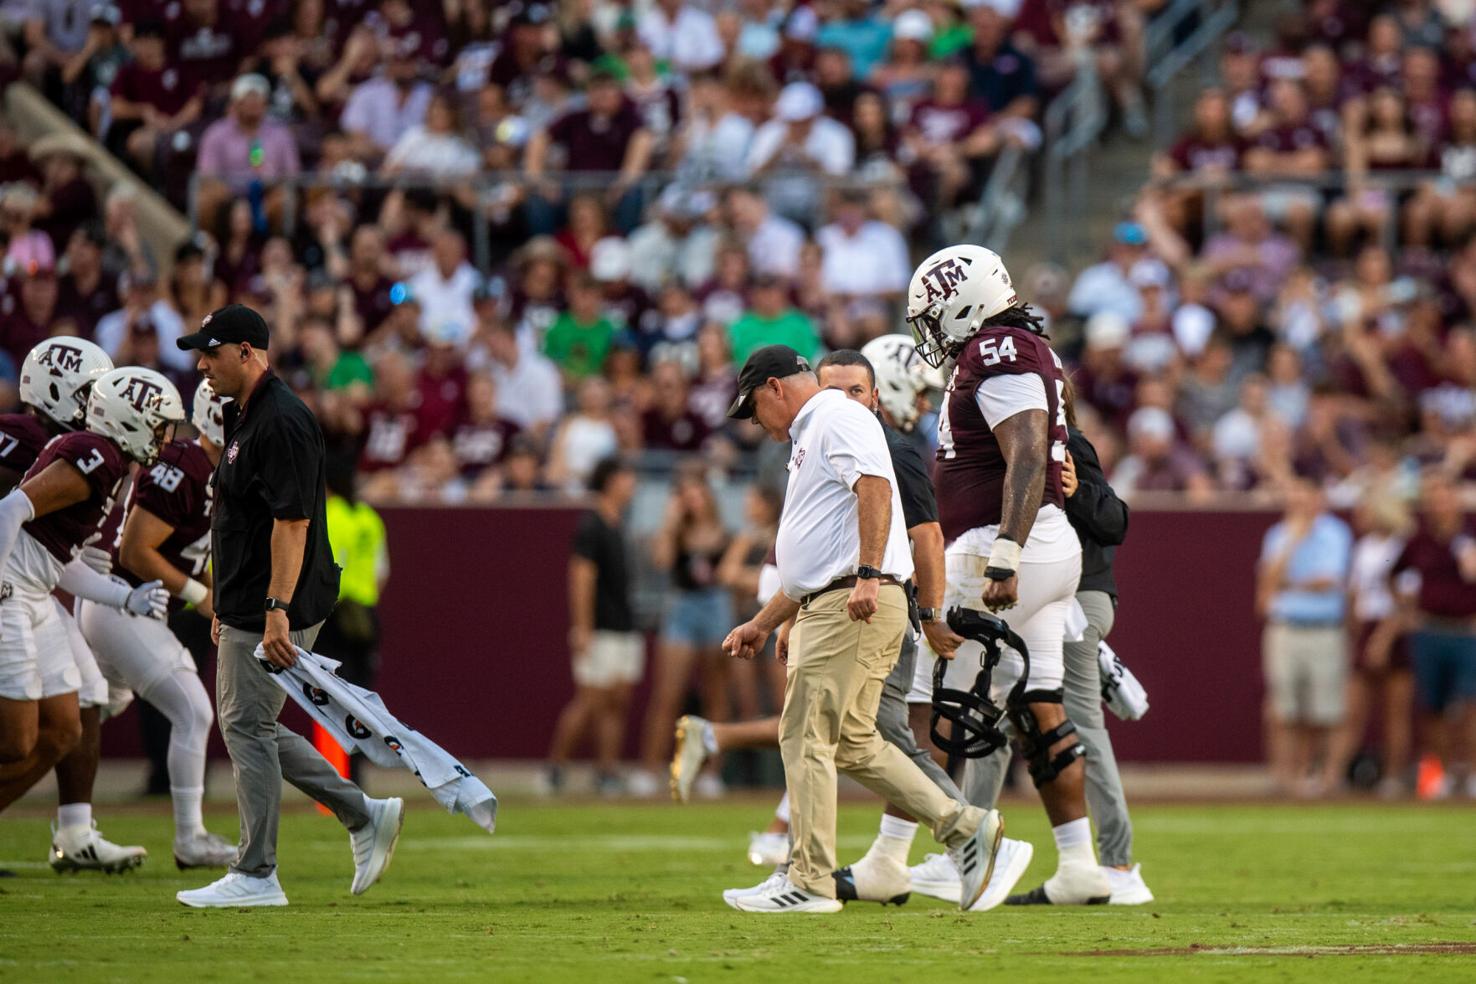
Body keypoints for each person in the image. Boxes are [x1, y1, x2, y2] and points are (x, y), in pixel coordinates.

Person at [718, 344, 1001, 914]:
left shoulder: (831, 416)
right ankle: (964, 825)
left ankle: (809, 879)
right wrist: (766, 618)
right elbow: (816, 550)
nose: (755, 423)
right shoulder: (818, 426)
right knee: (850, 740)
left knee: (804, 734)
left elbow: (875, 487)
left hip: (851, 600)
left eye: (753, 408)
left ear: (775, 387)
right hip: (842, 595)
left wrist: (869, 574)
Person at [173, 304, 401, 908]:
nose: (202, 364)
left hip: (279, 600)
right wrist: (228, 597)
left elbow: (291, 523)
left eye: (212, 352)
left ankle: (256, 873)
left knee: (246, 725)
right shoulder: (248, 414)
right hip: (254, 596)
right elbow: (237, 522)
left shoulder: (282, 420)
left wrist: (275, 608)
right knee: (255, 725)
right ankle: (362, 813)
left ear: (247, 351)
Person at [907, 243, 1108, 905]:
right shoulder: (1019, 347)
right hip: (1045, 545)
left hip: (1007, 545)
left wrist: (1004, 553)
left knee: (933, 703)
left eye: (936, 313)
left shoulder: (997, 350)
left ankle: (912, 856)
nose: (932, 330)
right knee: (1039, 707)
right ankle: (1081, 865)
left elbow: (1025, 453)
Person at [953, 380, 1154, 906]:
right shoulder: (1002, 448)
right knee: (995, 715)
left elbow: (1115, 522)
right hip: (1036, 601)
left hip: (1076, 598)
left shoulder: (1068, 447)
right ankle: (965, 844)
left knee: (1078, 720)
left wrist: (1076, 491)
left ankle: (1118, 861)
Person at [0, 339, 157, 876]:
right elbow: (13, 509)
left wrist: (121, 596)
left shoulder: (100, 458)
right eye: (92, 392)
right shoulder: (39, 437)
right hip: (11, 584)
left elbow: (60, 554)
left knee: (71, 716)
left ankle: (75, 830)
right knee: (18, 735)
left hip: (35, 583)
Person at [76, 380, 238, 868]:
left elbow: (192, 553)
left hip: (132, 610)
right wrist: (199, 596)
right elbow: (134, 550)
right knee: (193, 711)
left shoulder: (214, 471)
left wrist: (215, 594)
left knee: (72, 720)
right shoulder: (184, 465)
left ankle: (71, 826)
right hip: (122, 605)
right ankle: (190, 837)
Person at [630, 468, 733, 798]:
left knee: (716, 693)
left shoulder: (726, 533)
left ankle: (712, 773)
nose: (693, 501)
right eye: (685, 495)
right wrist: (670, 521)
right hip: (682, 607)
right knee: (667, 694)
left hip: (716, 607)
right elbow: (660, 562)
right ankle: (649, 769)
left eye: (697, 493)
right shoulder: (675, 533)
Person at [545, 457, 642, 796]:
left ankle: (607, 771)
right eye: (627, 476)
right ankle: (555, 767)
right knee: (590, 701)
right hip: (600, 628)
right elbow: (581, 578)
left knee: (618, 701)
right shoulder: (592, 525)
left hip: (625, 627)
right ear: (611, 481)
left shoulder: (619, 523)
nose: (632, 484)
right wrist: (582, 627)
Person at [1256, 477, 1353, 797]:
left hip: (1324, 628)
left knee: (1322, 709)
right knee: (1282, 706)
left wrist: (1289, 584)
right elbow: (1267, 583)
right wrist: (1293, 541)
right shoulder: (1279, 535)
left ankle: (1314, 774)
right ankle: (1282, 776)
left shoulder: (1335, 533)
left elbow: (1328, 580)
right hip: (1287, 627)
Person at [1386, 471, 1476, 799]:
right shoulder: (1419, 540)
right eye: (1434, 499)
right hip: (1430, 630)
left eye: (1446, 497)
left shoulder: (1471, 534)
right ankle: (1440, 774)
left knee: (1471, 704)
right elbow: (1392, 574)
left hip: (1467, 632)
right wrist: (1407, 611)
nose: (1441, 505)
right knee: (1432, 707)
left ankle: (1471, 772)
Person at [1327, 494, 1413, 797]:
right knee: (1352, 710)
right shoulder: (1363, 547)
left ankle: (1393, 777)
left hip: (1391, 628)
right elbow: (1354, 594)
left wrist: (1384, 638)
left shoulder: (1400, 547)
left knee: (1395, 710)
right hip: (1366, 626)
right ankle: (1333, 775)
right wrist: (1356, 631)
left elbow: (1405, 600)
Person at [315, 454, 390, 787]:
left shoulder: (330, 517)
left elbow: (328, 570)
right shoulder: (369, 518)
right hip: (364, 614)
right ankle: (358, 772)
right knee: (362, 696)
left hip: (334, 615)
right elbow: (382, 571)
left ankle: (335, 774)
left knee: (328, 697)